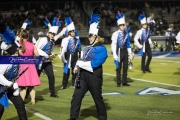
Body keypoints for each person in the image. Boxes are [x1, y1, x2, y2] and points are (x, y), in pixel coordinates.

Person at [70, 7, 107, 120]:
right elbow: (81, 59)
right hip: (83, 76)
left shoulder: (102, 49)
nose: (88, 37)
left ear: (96, 36)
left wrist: (79, 64)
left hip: (94, 76)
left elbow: (93, 65)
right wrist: (77, 66)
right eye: (89, 35)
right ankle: (73, 117)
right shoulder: (86, 48)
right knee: (76, 97)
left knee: (97, 99)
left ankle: (102, 117)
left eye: (90, 35)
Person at [0, 24, 27, 120]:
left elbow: (13, 75)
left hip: (10, 85)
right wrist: (7, 83)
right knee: (0, 109)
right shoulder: (5, 62)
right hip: (1, 86)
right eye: (16, 51)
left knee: (20, 104)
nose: (19, 52)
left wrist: (14, 85)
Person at [35, 16, 61, 98]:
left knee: (51, 76)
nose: (53, 35)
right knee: (35, 77)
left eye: (54, 34)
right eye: (52, 34)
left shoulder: (52, 41)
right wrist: (47, 55)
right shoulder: (44, 39)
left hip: (47, 61)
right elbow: (36, 49)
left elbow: (48, 51)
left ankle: (52, 92)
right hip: (39, 61)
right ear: (48, 33)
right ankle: (28, 92)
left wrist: (51, 56)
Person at [16, 29, 41, 104]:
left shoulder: (19, 44)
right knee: (31, 85)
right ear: (28, 37)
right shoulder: (32, 45)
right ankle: (33, 100)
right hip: (31, 66)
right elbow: (37, 55)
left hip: (22, 66)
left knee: (23, 86)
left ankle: (21, 101)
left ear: (21, 36)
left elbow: (17, 54)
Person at [111, 10, 133, 87]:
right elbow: (113, 45)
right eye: (121, 25)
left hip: (125, 52)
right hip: (119, 52)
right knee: (118, 68)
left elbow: (128, 44)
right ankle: (118, 82)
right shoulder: (115, 34)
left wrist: (130, 53)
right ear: (118, 26)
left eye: (123, 25)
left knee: (125, 67)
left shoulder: (126, 34)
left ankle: (124, 82)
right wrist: (115, 55)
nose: (123, 26)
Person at [59, 17, 82, 89]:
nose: (73, 33)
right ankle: (64, 84)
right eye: (72, 32)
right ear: (69, 32)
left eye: (74, 32)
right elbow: (63, 50)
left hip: (75, 57)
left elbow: (80, 49)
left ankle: (74, 83)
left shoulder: (77, 40)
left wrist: (80, 58)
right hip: (67, 57)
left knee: (75, 70)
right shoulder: (65, 40)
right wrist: (63, 59)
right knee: (66, 71)